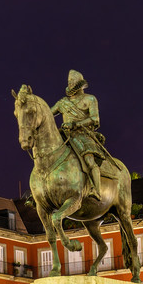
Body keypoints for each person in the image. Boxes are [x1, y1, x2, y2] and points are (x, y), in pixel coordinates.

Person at [50, 70, 107, 201]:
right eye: (68, 82)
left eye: (72, 82)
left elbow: (94, 119)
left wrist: (75, 125)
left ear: (79, 84)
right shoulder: (62, 102)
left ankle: (96, 190)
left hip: (83, 134)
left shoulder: (90, 99)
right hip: (64, 135)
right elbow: (48, 114)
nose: (70, 84)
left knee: (89, 160)